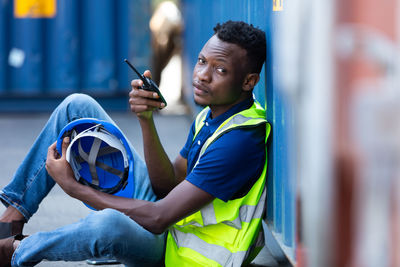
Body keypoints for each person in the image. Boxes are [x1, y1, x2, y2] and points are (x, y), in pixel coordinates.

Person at [0, 20, 270, 266]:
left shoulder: (239, 140)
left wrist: (74, 188)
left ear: (249, 81)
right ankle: (11, 220)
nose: (202, 75)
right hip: (170, 224)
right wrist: (145, 119)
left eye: (220, 69)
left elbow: (158, 217)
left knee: (108, 225)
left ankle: (15, 251)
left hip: (178, 254)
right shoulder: (212, 116)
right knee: (78, 106)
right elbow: (166, 184)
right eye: (201, 61)